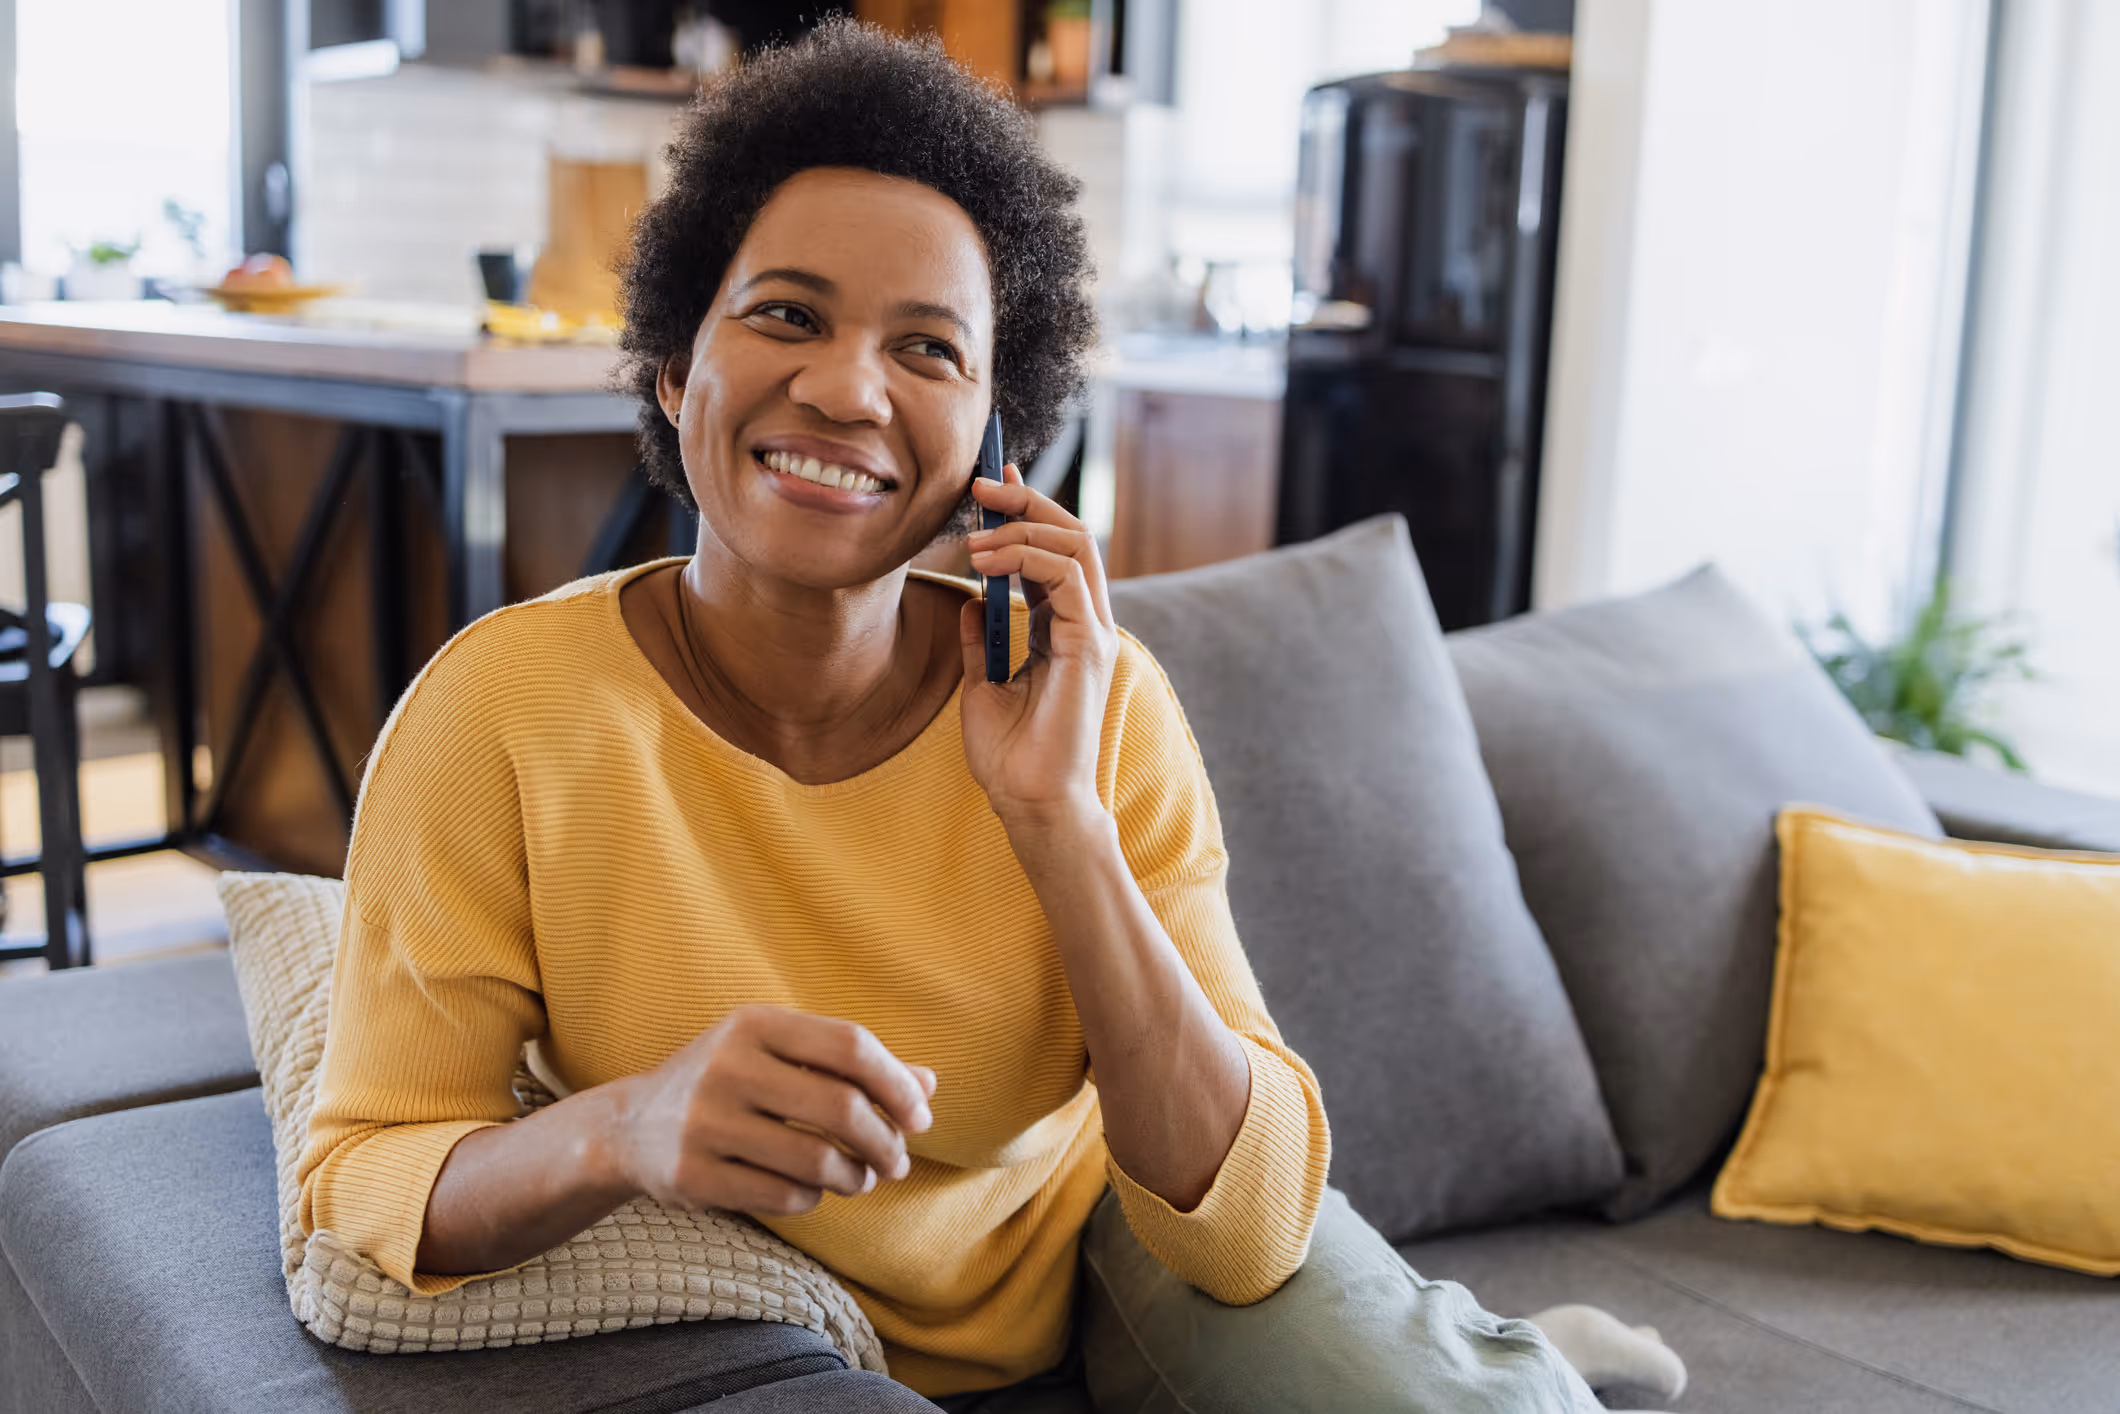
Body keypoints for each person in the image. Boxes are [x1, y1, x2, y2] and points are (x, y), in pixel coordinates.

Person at [297, 19, 1603, 1412]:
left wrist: (1060, 819)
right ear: (678, 368)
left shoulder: (1096, 706)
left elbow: (1251, 1219)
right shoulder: (500, 711)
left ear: (995, 440)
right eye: (787, 314)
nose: (850, 389)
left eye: (928, 347)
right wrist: (627, 1126)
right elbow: (356, 1179)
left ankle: (1516, 1362)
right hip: (740, 1314)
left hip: (1093, 1235)